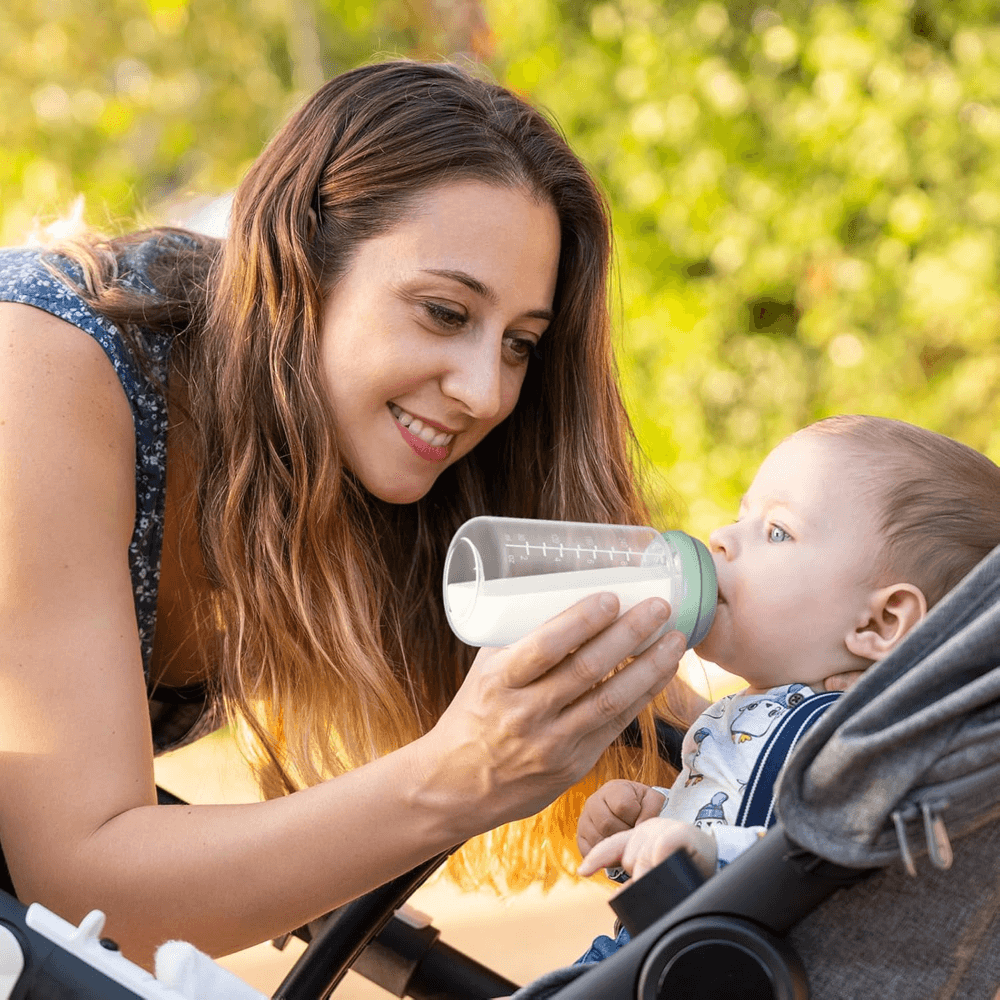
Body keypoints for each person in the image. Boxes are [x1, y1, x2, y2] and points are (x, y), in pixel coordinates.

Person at [0, 59, 698, 967]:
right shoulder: (45, 373)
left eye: (521, 344)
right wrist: (457, 776)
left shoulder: (363, 456)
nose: (487, 392)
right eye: (445, 312)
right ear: (298, 267)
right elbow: (87, 901)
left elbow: (659, 696)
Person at [571, 414, 1000, 963]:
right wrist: (657, 814)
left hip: (703, 967)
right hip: (649, 953)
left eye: (777, 531)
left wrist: (704, 853)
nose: (722, 539)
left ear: (879, 624)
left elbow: (818, 859)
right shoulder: (757, 710)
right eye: (739, 517)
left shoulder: (845, 743)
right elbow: (743, 807)